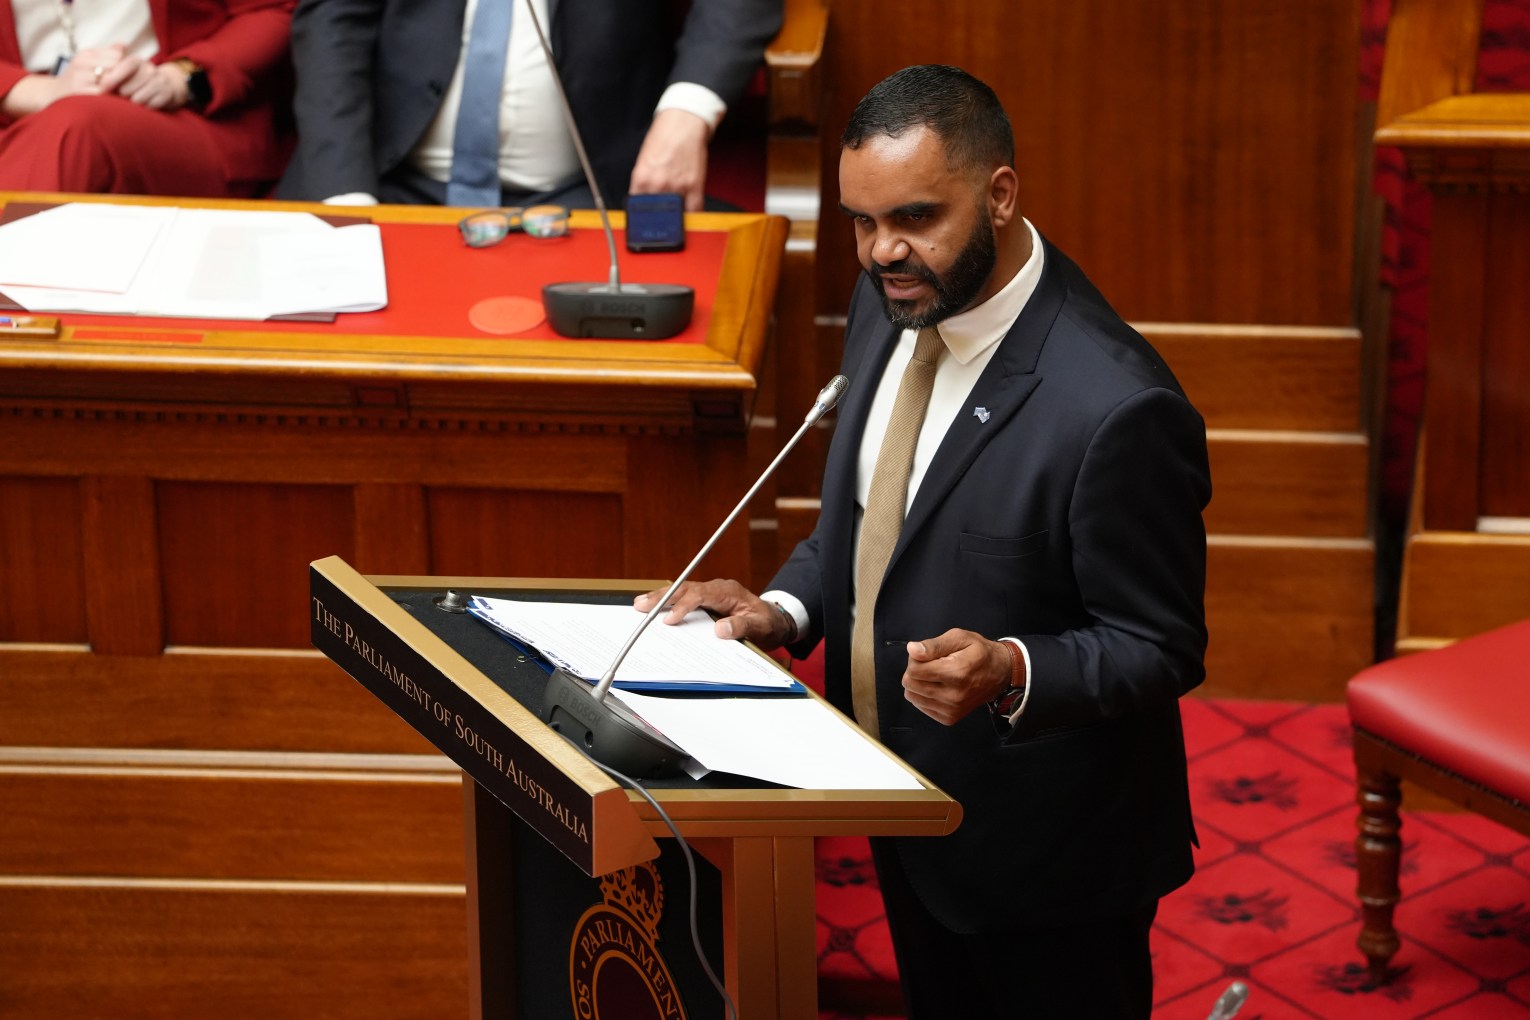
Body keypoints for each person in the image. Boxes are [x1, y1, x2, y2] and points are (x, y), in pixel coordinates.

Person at [640, 65, 1211, 1018]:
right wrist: (782, 608)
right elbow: (868, 524)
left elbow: (1160, 644)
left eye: (911, 218)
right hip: (900, 803)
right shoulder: (896, 299)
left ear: (999, 194)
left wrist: (1015, 668)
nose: (880, 251)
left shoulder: (1116, 406)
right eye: (861, 222)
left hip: (1047, 856)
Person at [275, 0, 782, 211]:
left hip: (591, 196)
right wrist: (346, 198)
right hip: (385, 183)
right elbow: (332, 21)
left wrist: (686, 113)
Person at [0, 0, 295, 196]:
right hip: (18, 116)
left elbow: (270, 10)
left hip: (181, 117)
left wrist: (181, 77)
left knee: (74, 128)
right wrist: (37, 92)